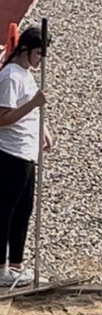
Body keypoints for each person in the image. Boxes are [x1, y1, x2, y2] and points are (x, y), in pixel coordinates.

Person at [0, 26, 50, 287]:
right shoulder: (10, 77)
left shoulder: (27, 74)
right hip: (10, 153)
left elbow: (31, 108)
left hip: (27, 152)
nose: (40, 60)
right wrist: (33, 105)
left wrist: (44, 131)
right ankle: (1, 267)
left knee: (24, 209)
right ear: (26, 50)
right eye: (38, 54)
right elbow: (2, 118)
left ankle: (16, 265)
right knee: (5, 210)